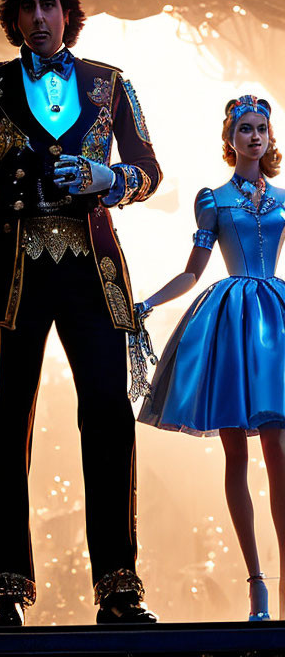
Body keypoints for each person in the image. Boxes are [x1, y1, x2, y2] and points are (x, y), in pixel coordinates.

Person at [0, 0, 161, 625]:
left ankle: (119, 586)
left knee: (110, 422)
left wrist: (107, 176)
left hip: (94, 273)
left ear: (69, 13)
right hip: (13, 274)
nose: (39, 17)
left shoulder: (111, 85)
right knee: (7, 429)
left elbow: (149, 172)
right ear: (14, 16)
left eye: (50, 5)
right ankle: (7, 589)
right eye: (28, 6)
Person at [138, 95, 285, 621]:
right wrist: (149, 302)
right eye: (244, 129)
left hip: (276, 321)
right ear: (231, 138)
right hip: (232, 323)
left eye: (261, 128)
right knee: (237, 457)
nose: (253, 136)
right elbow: (193, 272)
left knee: (280, 455)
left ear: (269, 137)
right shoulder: (214, 200)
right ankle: (257, 585)